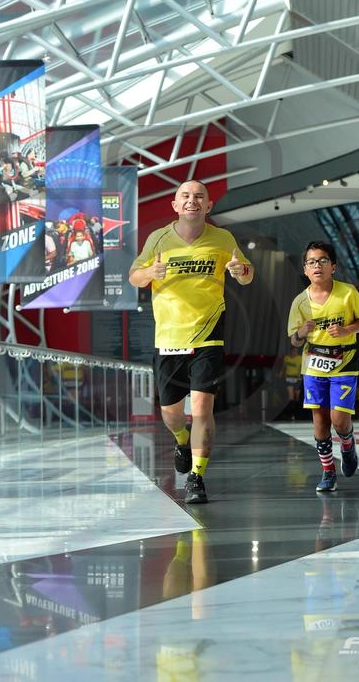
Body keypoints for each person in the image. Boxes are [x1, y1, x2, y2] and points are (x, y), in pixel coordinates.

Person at [129, 180, 254, 504]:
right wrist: (150, 273)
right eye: (185, 196)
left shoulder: (223, 239)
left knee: (201, 408)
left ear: (208, 205)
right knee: (171, 414)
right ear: (175, 205)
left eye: (199, 196)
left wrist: (240, 270)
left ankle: (196, 477)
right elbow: (134, 276)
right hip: (169, 338)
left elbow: (246, 275)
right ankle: (181, 439)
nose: (192, 200)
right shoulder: (158, 239)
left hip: (208, 335)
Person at [287, 241, 359, 493]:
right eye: (311, 262)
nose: (317, 266)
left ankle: (347, 444)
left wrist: (346, 330)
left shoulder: (347, 293)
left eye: (323, 260)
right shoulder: (299, 302)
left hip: (344, 362)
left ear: (333, 266)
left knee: (339, 420)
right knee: (320, 421)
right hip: (313, 365)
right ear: (305, 269)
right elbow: (293, 341)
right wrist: (301, 332)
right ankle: (328, 472)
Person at [280, 345, 303, 419]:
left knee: (297, 397)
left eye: (296, 351)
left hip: (297, 379)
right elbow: (283, 367)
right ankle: (291, 414)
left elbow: (302, 367)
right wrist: (281, 373)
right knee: (291, 396)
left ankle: (297, 413)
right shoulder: (287, 358)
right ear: (291, 351)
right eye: (293, 351)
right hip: (289, 378)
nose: (295, 353)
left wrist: (300, 374)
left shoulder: (300, 358)